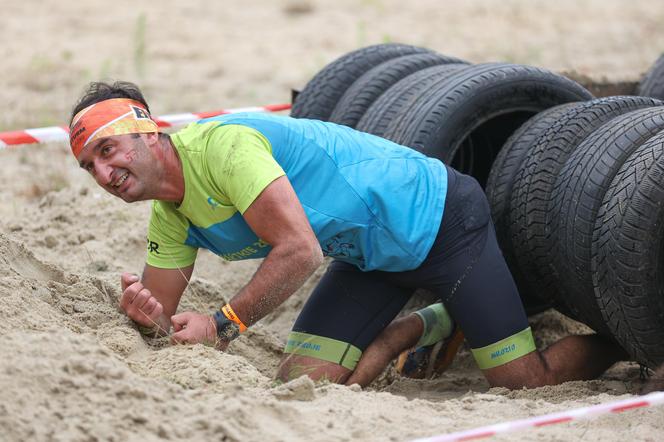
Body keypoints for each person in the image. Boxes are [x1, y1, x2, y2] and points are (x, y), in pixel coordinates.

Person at [69, 81, 625, 389]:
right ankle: (420, 325)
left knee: (521, 377)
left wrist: (224, 322)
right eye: (88, 167)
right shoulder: (169, 214)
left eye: (106, 150)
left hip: (441, 221)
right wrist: (147, 317)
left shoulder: (222, 148)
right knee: (305, 381)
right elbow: (160, 316)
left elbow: (299, 250)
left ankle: (631, 342)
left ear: (146, 128)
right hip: (370, 259)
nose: (103, 174)